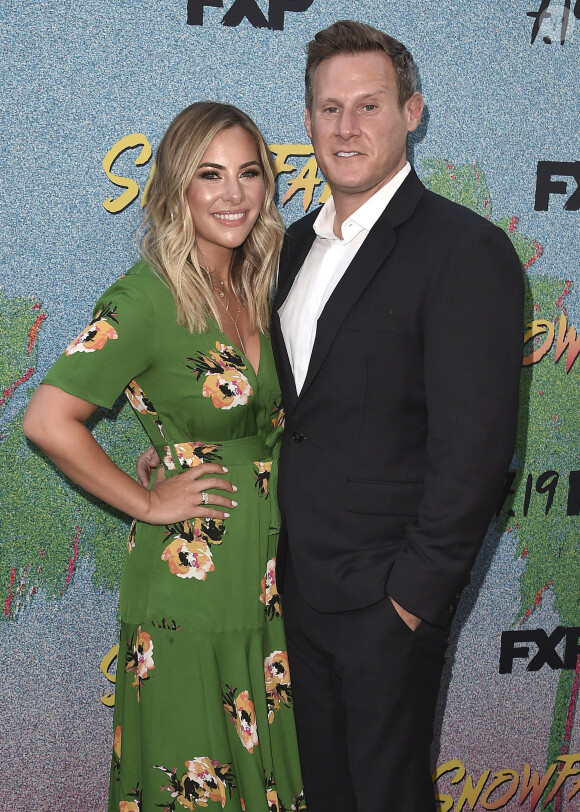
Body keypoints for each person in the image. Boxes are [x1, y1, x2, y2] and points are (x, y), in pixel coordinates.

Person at [269, 20, 524, 812]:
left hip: (388, 599)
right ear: (308, 120)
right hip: (301, 590)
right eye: (328, 108)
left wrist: (409, 601)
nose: (346, 128)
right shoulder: (288, 250)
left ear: (411, 111)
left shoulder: (463, 248)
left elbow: (475, 449)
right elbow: (296, 410)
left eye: (368, 106)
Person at [23, 102, 305, 812]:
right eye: (209, 175)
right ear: (175, 188)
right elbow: (49, 420)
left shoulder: (260, 286)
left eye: (249, 173)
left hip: (272, 580)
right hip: (192, 583)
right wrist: (148, 499)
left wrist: (172, 450)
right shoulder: (144, 298)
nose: (233, 194)